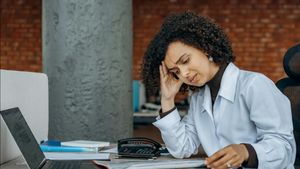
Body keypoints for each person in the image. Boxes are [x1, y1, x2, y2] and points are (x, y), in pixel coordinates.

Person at [141, 11, 296, 169]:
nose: (184, 73)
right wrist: (167, 99)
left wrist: (246, 151)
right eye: (176, 71)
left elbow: (285, 148)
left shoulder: (254, 85)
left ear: (204, 47)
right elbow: (182, 148)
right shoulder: (199, 98)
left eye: (185, 61)